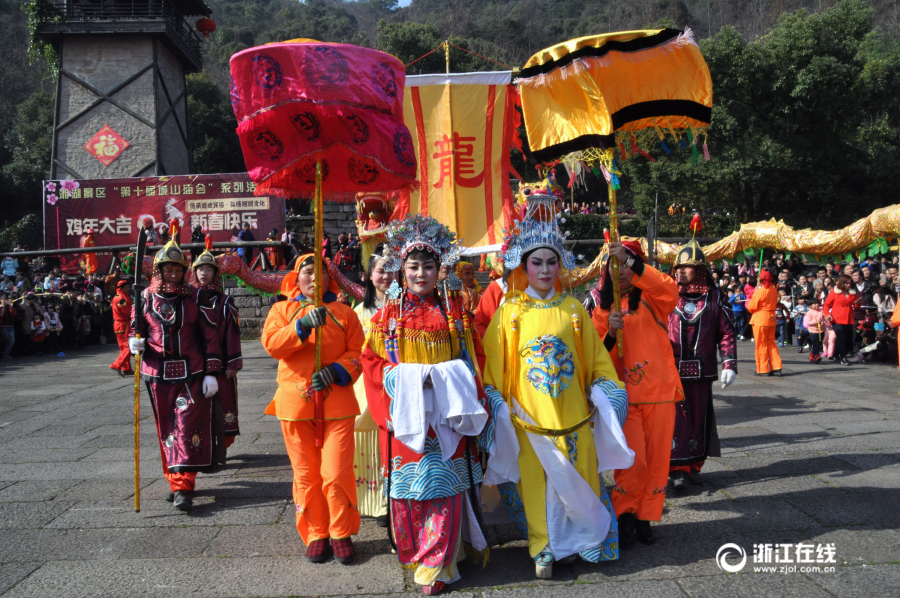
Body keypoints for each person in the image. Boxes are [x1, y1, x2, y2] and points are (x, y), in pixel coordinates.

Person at [481, 187, 631, 579]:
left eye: (551, 262)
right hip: (530, 421)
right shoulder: (509, 312)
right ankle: (542, 547)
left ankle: (586, 542)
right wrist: (498, 406)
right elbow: (494, 370)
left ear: (559, 264)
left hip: (574, 417)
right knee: (537, 487)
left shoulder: (573, 310)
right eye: (536, 263)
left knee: (581, 482)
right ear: (523, 267)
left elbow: (596, 361)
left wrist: (605, 391)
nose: (545, 270)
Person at [361, 215, 491, 595]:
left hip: (447, 418)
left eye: (429, 266)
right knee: (412, 491)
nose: (421, 274)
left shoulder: (456, 315)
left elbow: (474, 363)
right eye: (414, 267)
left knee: (446, 488)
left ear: (440, 269)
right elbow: (371, 364)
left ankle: (439, 564)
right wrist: (412, 380)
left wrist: (451, 379)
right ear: (403, 270)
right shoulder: (387, 318)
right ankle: (423, 554)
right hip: (407, 415)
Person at [261, 253, 364, 565]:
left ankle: (340, 531)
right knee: (306, 475)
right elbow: (272, 345)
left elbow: (359, 352)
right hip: (295, 404)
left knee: (335, 472)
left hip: (338, 404)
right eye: (307, 272)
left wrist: (337, 371)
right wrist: (302, 325)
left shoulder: (346, 313)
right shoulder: (281, 310)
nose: (313, 278)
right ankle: (317, 532)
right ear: (296, 277)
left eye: (319, 272)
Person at [591, 240, 682, 547]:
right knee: (632, 461)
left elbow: (670, 288)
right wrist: (611, 332)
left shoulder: (654, 300)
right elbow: (597, 357)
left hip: (660, 392)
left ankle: (645, 517)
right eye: (613, 265)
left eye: (625, 265)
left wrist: (629, 260)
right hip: (624, 397)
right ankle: (624, 515)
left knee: (658, 460)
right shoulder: (603, 310)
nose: (620, 271)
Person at [129, 222, 224, 512]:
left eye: (178, 269)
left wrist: (211, 372)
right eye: (168, 269)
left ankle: (184, 485)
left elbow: (210, 336)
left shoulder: (195, 298)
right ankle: (173, 478)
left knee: (186, 427)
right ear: (158, 271)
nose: (173, 274)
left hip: (192, 373)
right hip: (157, 373)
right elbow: (136, 328)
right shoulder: (144, 298)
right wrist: (133, 343)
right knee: (166, 430)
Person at [666, 240, 737, 489]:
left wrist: (729, 363)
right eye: (678, 267)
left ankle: (693, 464)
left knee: (698, 419)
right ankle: (676, 468)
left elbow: (726, 332)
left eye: (687, 267)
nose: (680, 271)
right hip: (669, 370)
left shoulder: (716, 297)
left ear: (701, 270)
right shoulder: (666, 294)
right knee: (676, 420)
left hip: (701, 370)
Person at [351, 245, 393, 526]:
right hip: (367, 386)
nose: (386, 276)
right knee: (369, 443)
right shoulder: (358, 312)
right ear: (368, 276)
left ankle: (395, 498)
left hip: (395, 385)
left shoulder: (403, 308)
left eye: (391, 270)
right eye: (381, 270)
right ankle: (377, 503)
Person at [192, 235, 243, 448]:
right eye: (200, 269)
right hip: (195, 363)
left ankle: (222, 444)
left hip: (221, 362)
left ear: (216, 274)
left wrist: (232, 363)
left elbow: (231, 332)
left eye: (209, 269)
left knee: (223, 403)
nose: (204, 273)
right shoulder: (188, 300)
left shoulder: (224, 302)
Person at [746, 270, 782, 375]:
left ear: (761, 280)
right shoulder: (774, 290)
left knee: (761, 344)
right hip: (771, 319)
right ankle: (776, 366)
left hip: (760, 319)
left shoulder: (760, 291)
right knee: (771, 343)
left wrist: (755, 293)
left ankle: (763, 368)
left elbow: (751, 307)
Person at [823, 275, 859, 366]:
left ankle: (835, 354)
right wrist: (827, 314)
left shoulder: (852, 293)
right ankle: (843, 357)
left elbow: (856, 306)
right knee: (841, 336)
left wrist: (858, 304)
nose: (848, 285)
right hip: (837, 318)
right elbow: (826, 305)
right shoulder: (834, 292)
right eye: (846, 283)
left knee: (844, 338)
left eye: (849, 283)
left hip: (848, 318)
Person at [109, 279, 133, 376]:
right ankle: (116, 365)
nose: (129, 289)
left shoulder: (120, 297)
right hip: (123, 324)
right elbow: (127, 312)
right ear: (121, 288)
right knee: (128, 347)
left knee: (124, 347)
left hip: (121, 324)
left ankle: (126, 368)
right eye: (127, 287)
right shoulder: (121, 299)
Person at [804, 298, 826, 363]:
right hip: (813, 331)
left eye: (817, 303)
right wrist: (816, 322)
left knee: (819, 344)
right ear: (810, 306)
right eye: (814, 304)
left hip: (821, 330)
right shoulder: (809, 312)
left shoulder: (821, 311)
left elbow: (824, 319)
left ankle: (812, 354)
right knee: (815, 343)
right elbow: (808, 322)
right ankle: (817, 355)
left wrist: (823, 322)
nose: (816, 305)